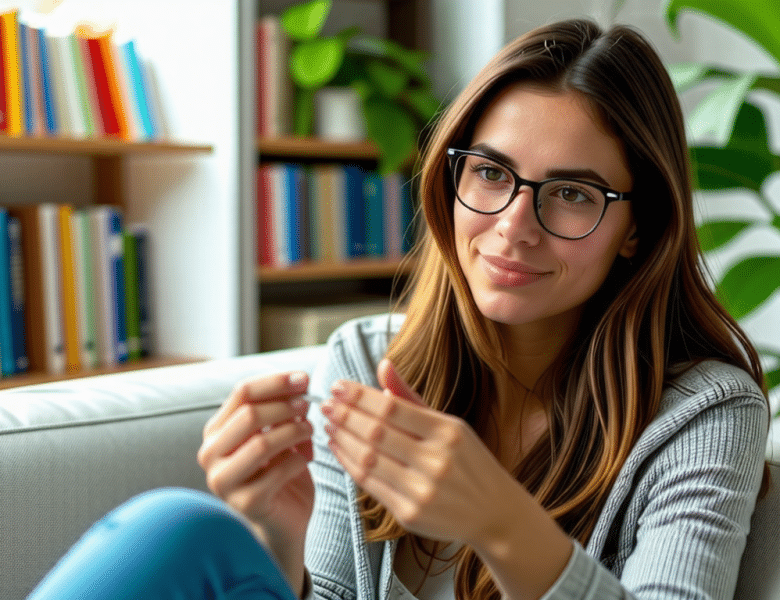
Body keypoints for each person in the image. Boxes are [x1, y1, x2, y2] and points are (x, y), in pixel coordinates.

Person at [28, 17, 769, 600]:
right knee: (180, 527)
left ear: (638, 227)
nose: (514, 224)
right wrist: (283, 536)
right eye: (489, 173)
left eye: (572, 193)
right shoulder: (362, 362)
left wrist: (502, 527)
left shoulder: (704, 413)